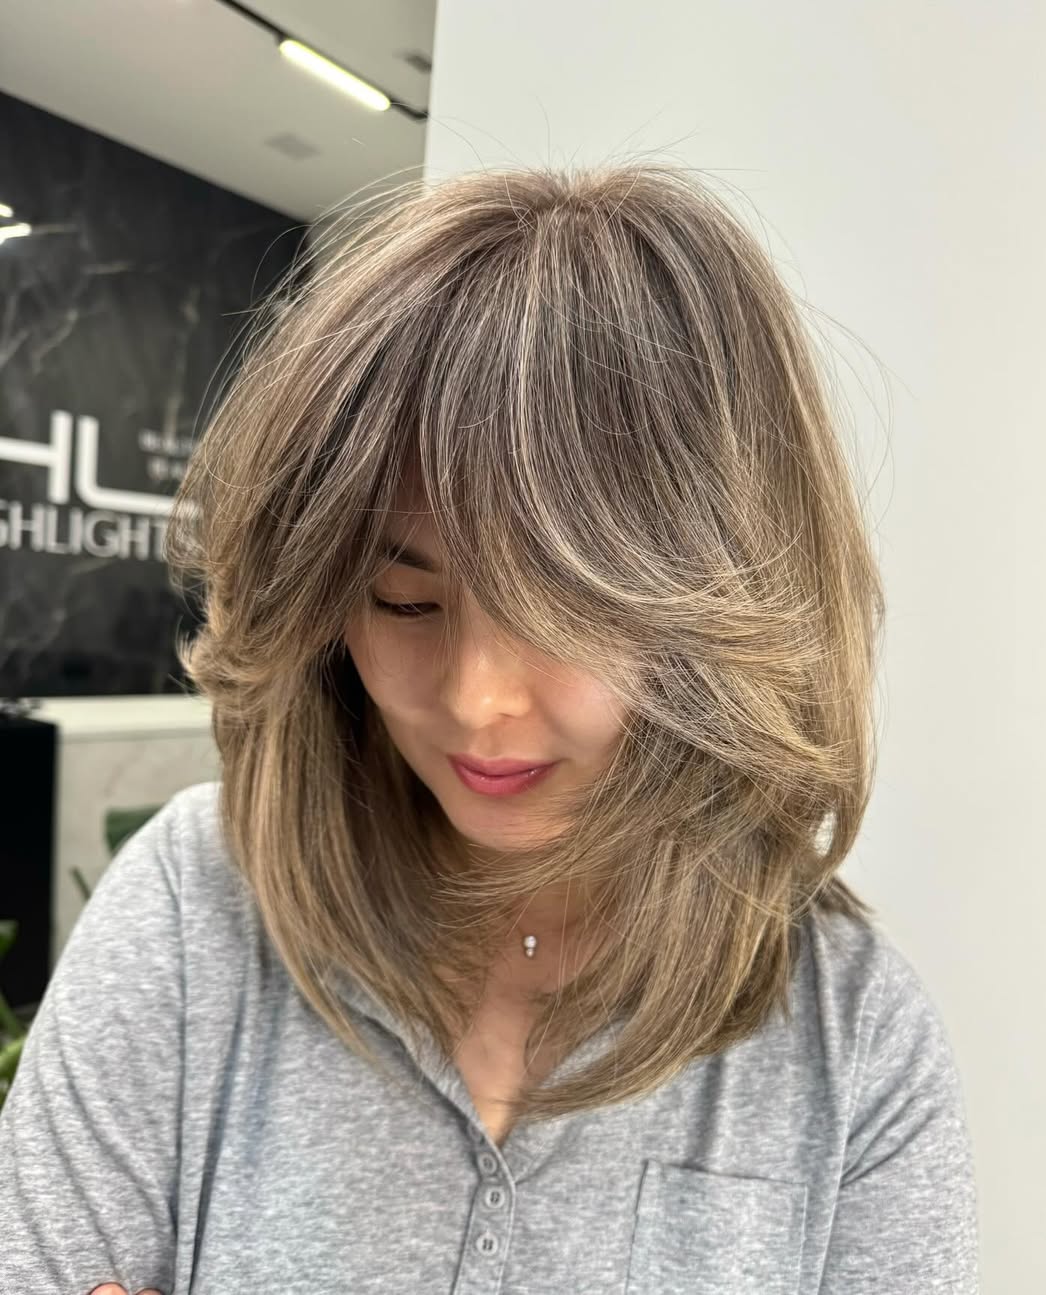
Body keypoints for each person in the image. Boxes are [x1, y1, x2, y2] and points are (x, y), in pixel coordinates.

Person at [0, 162, 980, 1293]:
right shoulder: (195, 908)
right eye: (404, 600)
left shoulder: (852, 1043)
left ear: (723, 601)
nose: (477, 698)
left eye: (568, 614)